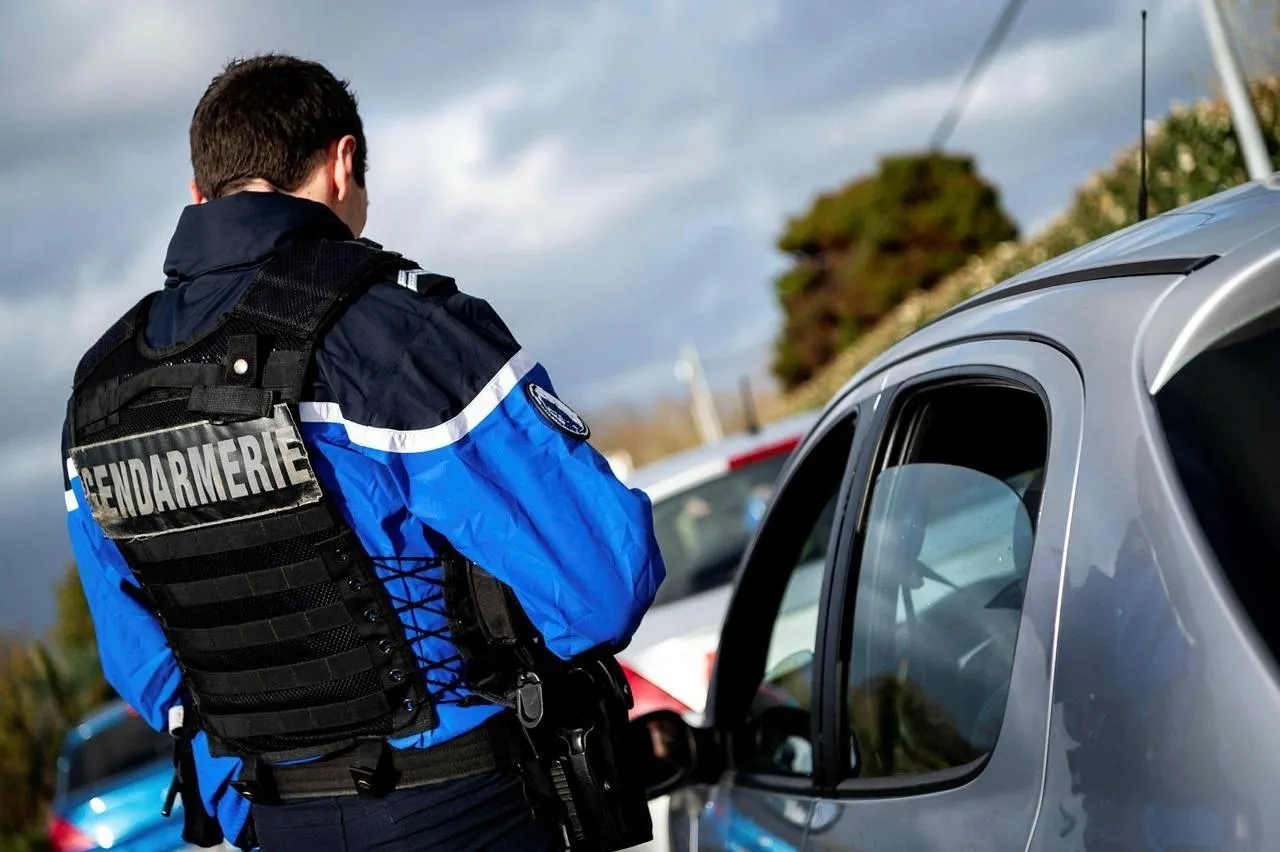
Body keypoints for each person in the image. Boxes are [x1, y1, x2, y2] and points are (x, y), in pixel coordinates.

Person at [60, 54, 665, 852]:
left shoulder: (99, 393)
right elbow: (599, 585)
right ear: (342, 162)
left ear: (199, 193)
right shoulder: (400, 333)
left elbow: (149, 667)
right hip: (465, 809)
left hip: (281, 823)